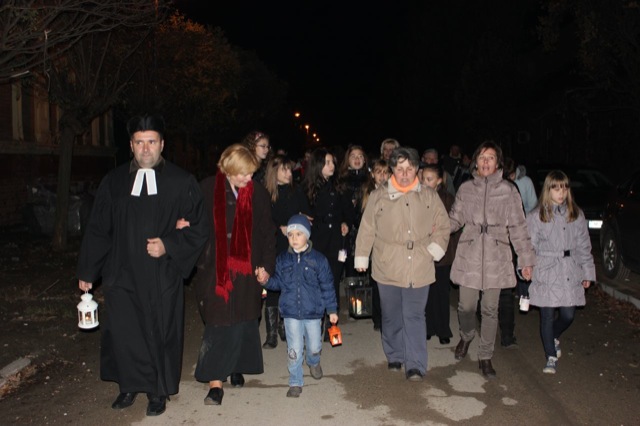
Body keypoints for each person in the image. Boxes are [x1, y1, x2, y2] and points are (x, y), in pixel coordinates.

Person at [77, 114, 209, 417]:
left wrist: (169, 244)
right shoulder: (114, 182)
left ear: (162, 144)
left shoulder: (181, 182)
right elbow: (99, 228)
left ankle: (157, 390)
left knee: (159, 332)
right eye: (139, 142)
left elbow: (199, 228)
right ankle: (128, 386)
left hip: (161, 275)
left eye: (151, 141)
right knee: (125, 332)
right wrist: (88, 270)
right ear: (131, 145)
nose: (145, 148)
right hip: (120, 271)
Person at [355, 146, 450, 382]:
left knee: (415, 315)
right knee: (391, 315)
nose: (405, 174)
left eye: (409, 168)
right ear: (392, 170)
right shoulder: (379, 195)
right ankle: (395, 354)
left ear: (417, 169)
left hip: (419, 263)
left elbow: (443, 225)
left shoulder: (428, 195)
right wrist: (362, 256)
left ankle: (415, 364)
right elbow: (367, 228)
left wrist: (433, 250)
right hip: (387, 263)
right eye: (400, 169)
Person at [192, 143, 276, 406]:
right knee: (217, 324)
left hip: (247, 270)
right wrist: (182, 225)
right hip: (215, 271)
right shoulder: (206, 189)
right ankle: (215, 384)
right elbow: (191, 220)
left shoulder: (258, 193)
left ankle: (236, 365)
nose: (248, 178)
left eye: (251, 173)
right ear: (228, 169)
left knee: (243, 320)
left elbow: (267, 233)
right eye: (243, 173)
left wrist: (266, 267)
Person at [449, 140, 536, 378]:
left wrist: (525, 260)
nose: (486, 162)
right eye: (482, 157)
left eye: (490, 158)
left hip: (497, 255)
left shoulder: (509, 190)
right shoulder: (466, 188)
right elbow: (454, 219)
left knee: (489, 309)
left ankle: (485, 355)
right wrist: (435, 228)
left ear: (498, 163)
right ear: (475, 162)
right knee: (466, 306)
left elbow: (518, 227)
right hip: (470, 252)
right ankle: (467, 335)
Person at [256, 214, 338, 398]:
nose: (294, 238)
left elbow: (327, 285)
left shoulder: (318, 260)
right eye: (291, 235)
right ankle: (295, 381)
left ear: (307, 236)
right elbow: (278, 283)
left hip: (313, 312)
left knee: (314, 346)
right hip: (291, 312)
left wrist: (332, 310)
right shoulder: (283, 259)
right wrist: (265, 281)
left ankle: (313, 361)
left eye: (299, 234)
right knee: (294, 349)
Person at [527, 170, 595, 374]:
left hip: (569, 269)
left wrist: (587, 272)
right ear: (548, 190)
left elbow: (584, 246)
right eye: (556, 188)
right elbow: (529, 246)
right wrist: (526, 267)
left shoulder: (576, 214)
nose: (561, 193)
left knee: (568, 314)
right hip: (546, 269)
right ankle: (550, 355)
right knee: (547, 316)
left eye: (564, 188)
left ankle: (554, 335)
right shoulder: (536, 216)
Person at [300, 147, 354, 339]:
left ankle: (331, 327)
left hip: (336, 241)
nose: (332, 166)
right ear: (318, 165)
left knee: (332, 281)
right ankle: (314, 324)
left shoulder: (339, 186)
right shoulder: (306, 188)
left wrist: (346, 222)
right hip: (315, 240)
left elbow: (348, 211)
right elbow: (299, 211)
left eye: (333, 162)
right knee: (314, 282)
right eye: (327, 162)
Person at [261, 154, 311, 349]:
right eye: (284, 169)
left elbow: (307, 215)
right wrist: (278, 227)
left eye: (290, 169)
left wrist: (296, 223)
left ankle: (285, 327)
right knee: (273, 286)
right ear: (274, 172)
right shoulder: (265, 193)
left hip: (293, 244)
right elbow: (262, 219)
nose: (289, 173)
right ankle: (271, 333)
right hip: (272, 244)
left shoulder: (296, 191)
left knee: (290, 285)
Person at [419, 163, 460, 345]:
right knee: (426, 292)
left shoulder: (447, 198)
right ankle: (428, 327)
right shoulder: (418, 197)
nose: (425, 182)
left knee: (442, 292)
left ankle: (443, 328)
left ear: (439, 181)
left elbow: (453, 223)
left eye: (429, 179)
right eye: (423, 179)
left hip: (443, 253)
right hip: (423, 251)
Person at [360, 158, 390, 331]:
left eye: (386, 172)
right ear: (372, 174)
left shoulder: (394, 193)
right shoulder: (368, 193)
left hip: (388, 245)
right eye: (379, 172)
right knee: (376, 284)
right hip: (372, 245)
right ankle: (377, 317)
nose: (382, 176)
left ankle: (388, 316)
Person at [337, 145, 369, 277]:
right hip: (346, 233)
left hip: (366, 231)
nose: (357, 159)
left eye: (360, 156)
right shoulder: (340, 180)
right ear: (347, 159)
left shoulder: (369, 180)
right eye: (353, 156)